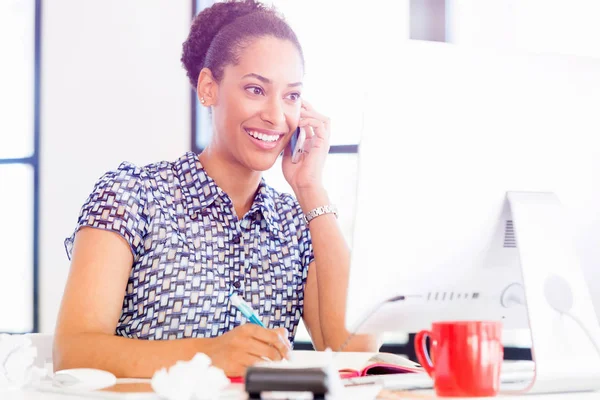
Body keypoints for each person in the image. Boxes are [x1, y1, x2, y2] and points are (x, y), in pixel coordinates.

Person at [53, 0, 378, 379]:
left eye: (291, 96)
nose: (276, 116)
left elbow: (355, 350)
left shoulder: (295, 224)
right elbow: (73, 351)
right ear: (209, 88)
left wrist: (311, 189)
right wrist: (208, 355)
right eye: (256, 89)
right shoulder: (131, 196)